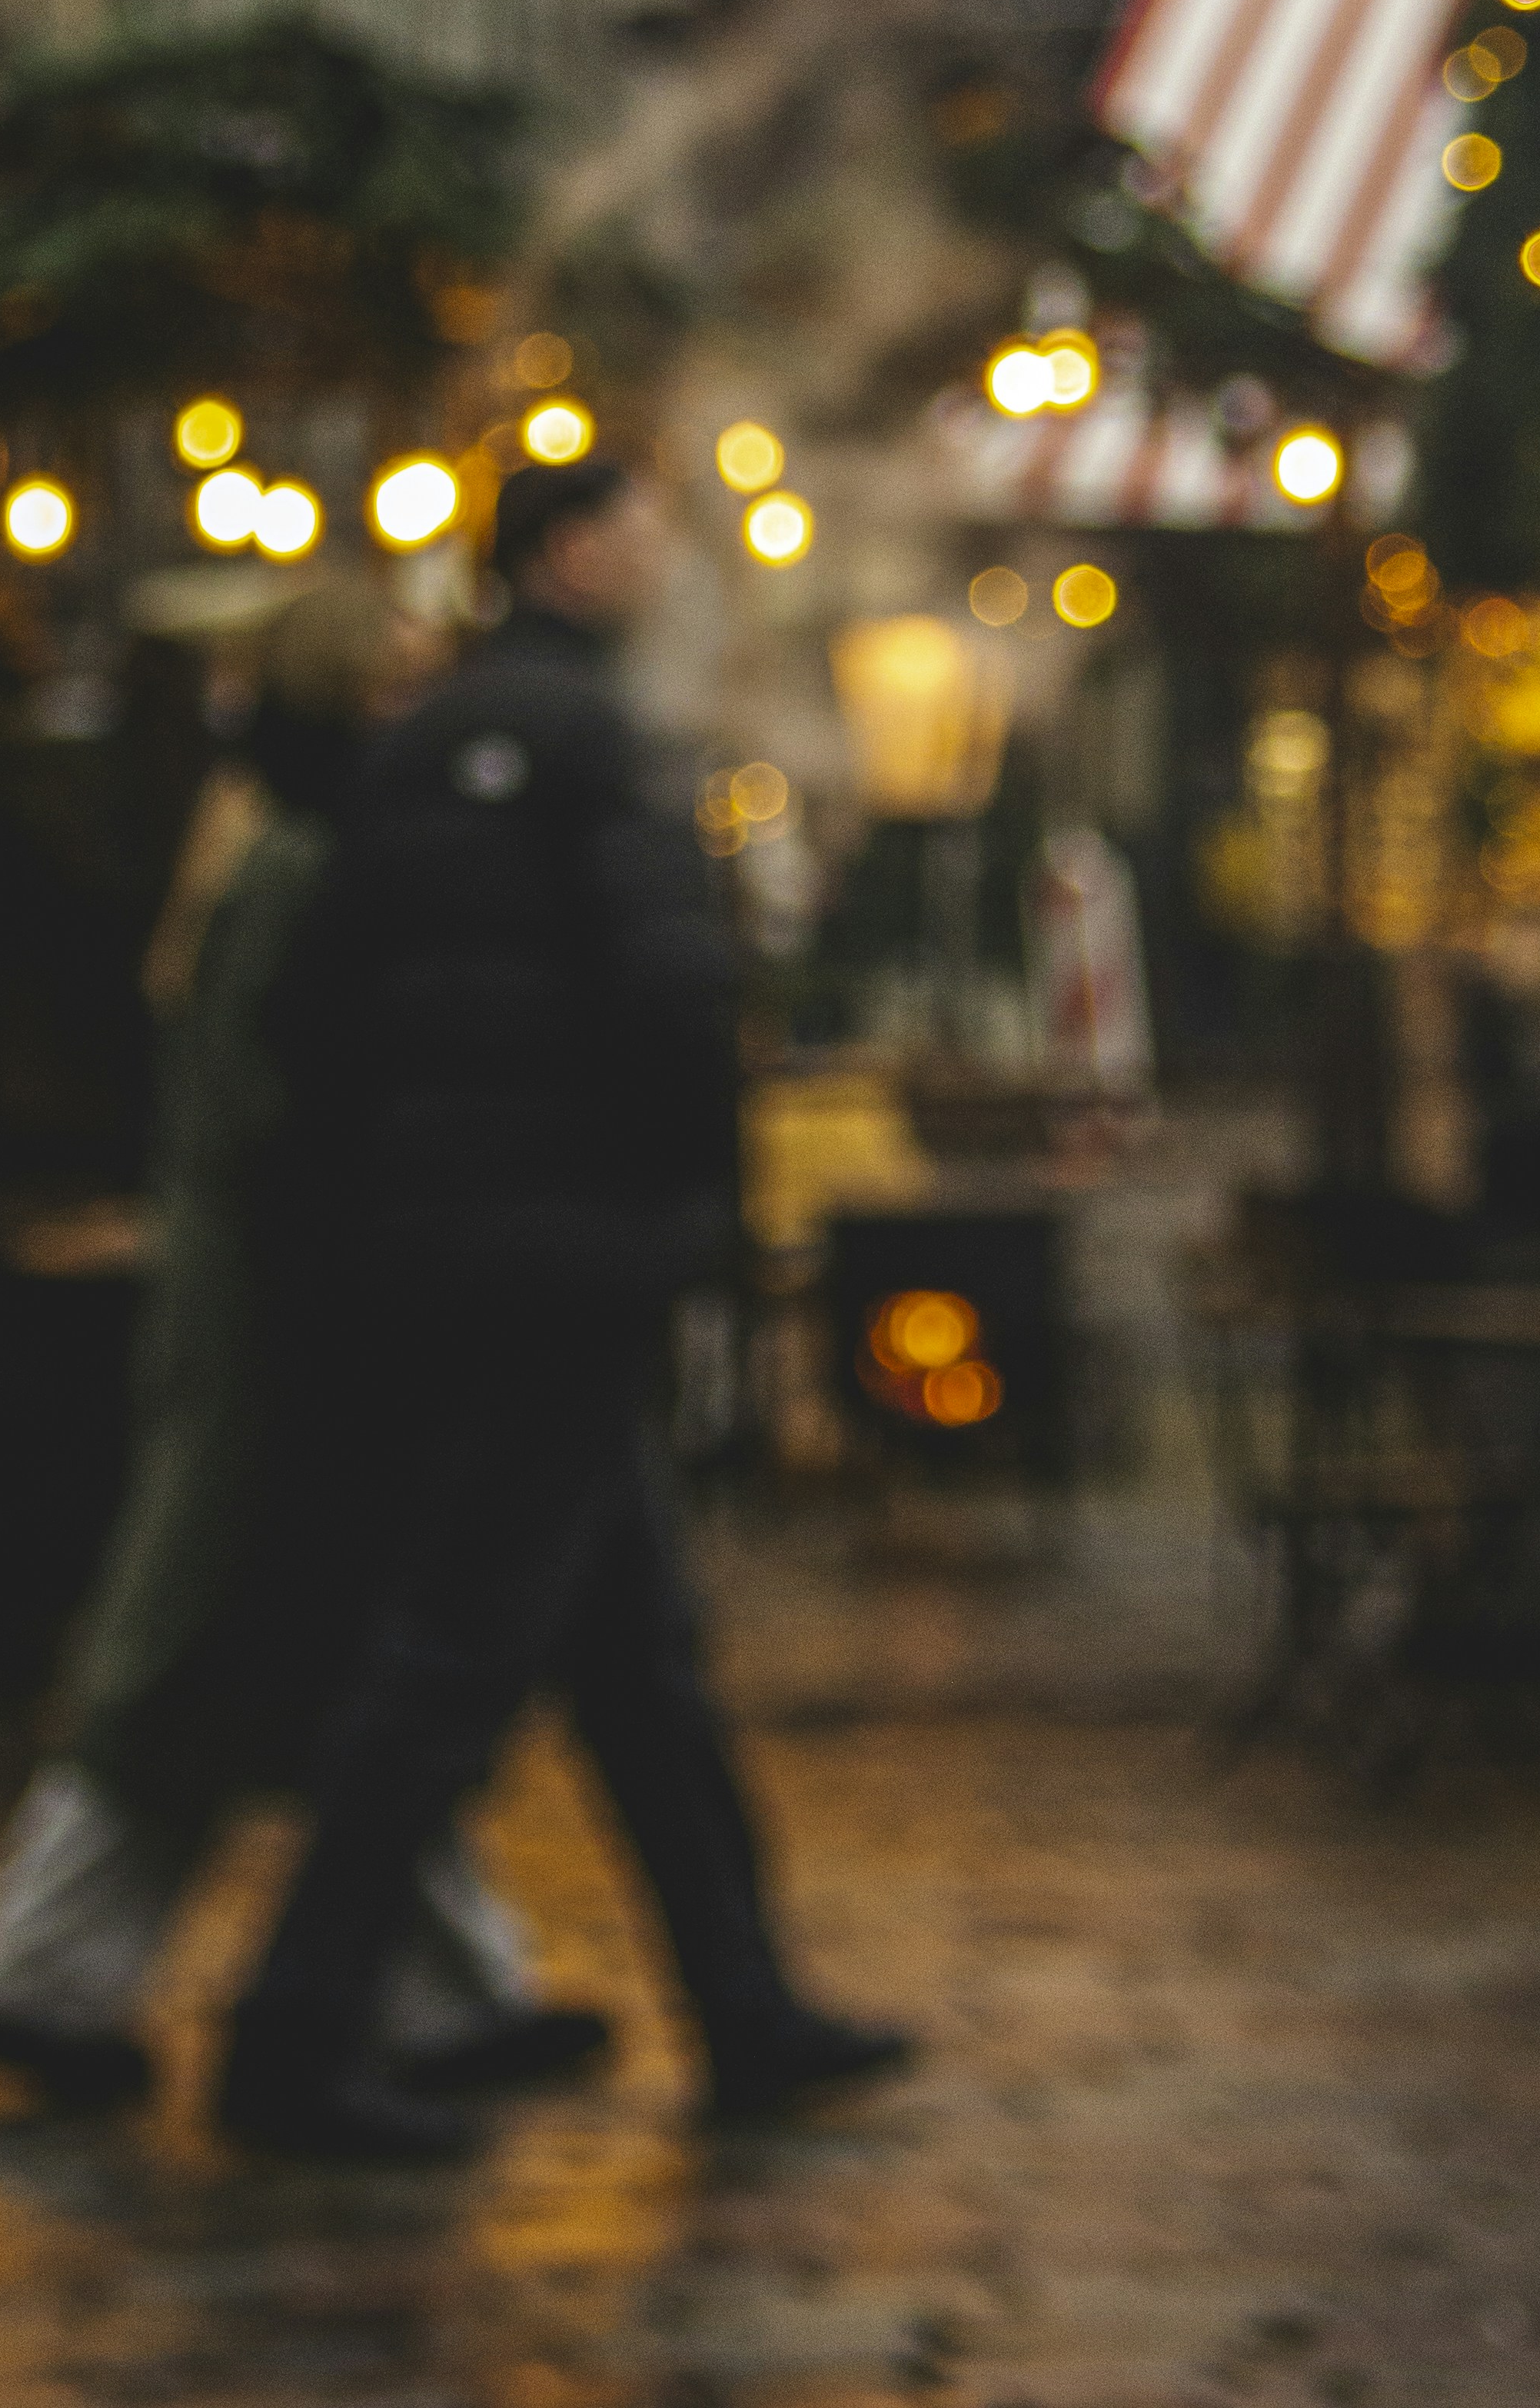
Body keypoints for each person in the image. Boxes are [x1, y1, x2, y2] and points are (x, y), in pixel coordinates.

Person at [218, 456, 912, 2160]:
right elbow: (679, 998)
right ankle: (291, 2035)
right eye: (643, 527)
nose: (665, 556)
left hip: (445, 1259)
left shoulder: (408, 750)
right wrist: (699, 1219)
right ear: (571, 552)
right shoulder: (600, 745)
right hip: (570, 1264)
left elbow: (310, 1023)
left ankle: (744, 2007)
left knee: (639, 1664)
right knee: (455, 1659)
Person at [0, 579, 607, 2113]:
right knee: (198, 1662)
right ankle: (41, 1975)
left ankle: (454, 1991)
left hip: (273, 1319)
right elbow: (275, 1118)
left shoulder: (279, 841)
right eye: (400, 679)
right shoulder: (305, 858)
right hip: (277, 1334)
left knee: (331, 1670)